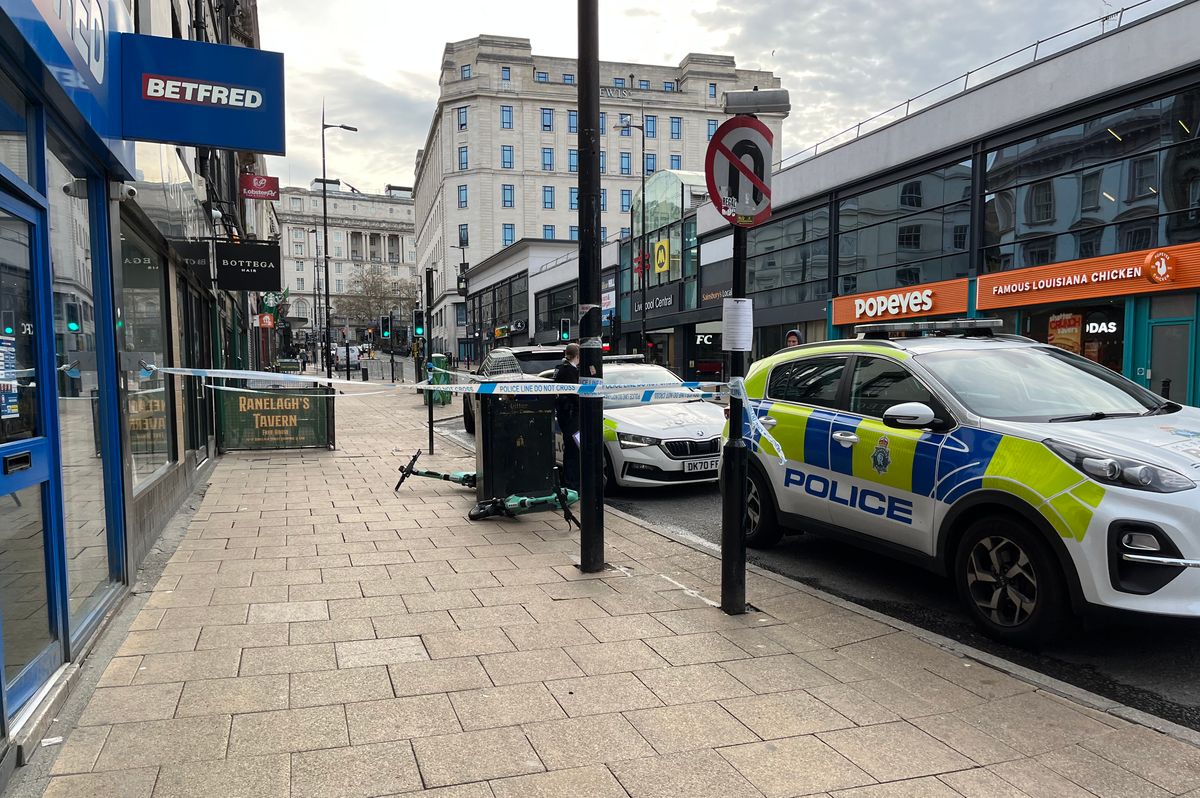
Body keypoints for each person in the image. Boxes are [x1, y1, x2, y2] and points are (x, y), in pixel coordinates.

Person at [553, 343, 581, 489]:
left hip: (565, 415)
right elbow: (573, 395)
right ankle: (572, 483)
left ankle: (570, 482)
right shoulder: (569, 371)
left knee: (571, 449)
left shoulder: (559, 368)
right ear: (577, 356)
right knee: (573, 450)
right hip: (571, 417)